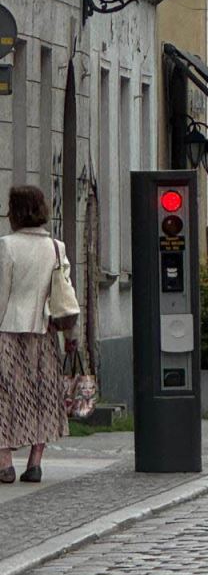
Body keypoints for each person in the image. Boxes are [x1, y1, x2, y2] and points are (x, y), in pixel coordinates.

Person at [0, 186, 78, 483]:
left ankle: (5, 462)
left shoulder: (6, 246)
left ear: (15, 211)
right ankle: (35, 463)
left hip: (8, 331)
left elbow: (2, 293)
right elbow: (64, 295)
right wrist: (70, 335)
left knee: (5, 395)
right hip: (44, 333)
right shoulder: (56, 248)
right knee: (42, 395)